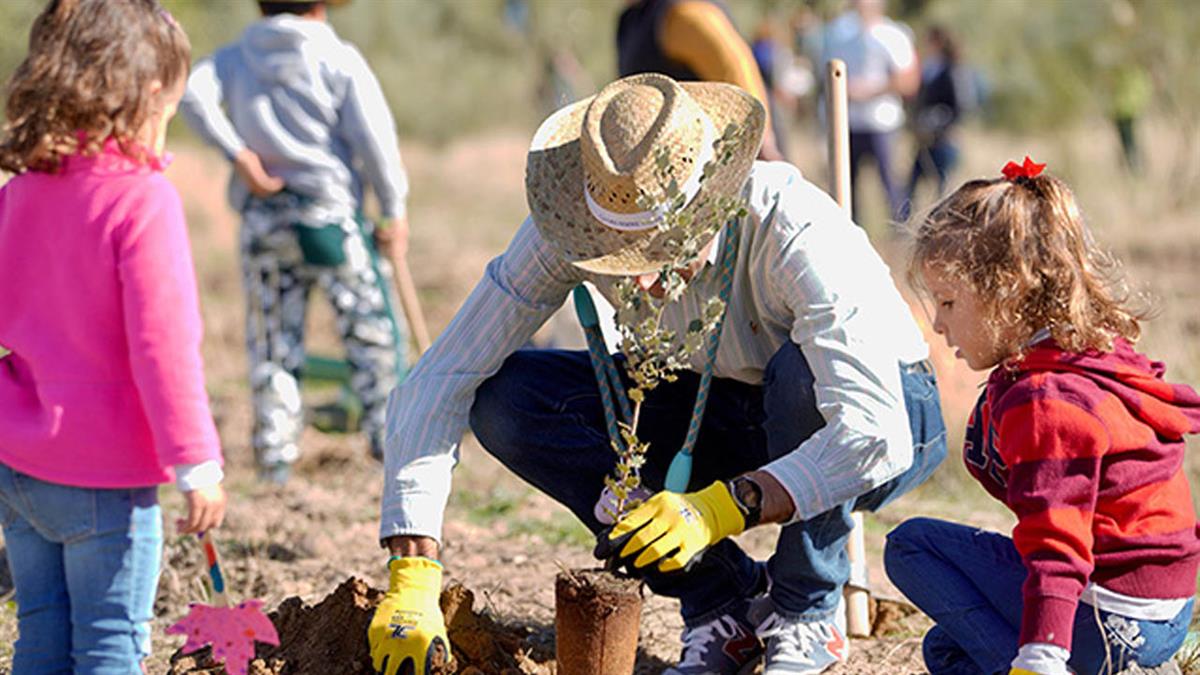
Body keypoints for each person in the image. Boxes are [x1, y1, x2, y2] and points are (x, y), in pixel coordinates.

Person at [368, 73, 947, 675]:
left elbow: (873, 432)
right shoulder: (571, 223)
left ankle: (804, 609)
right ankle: (723, 603)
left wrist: (724, 508)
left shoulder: (791, 225)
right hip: (725, 404)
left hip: (888, 413)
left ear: (711, 206)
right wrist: (413, 569)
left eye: (659, 253)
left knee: (801, 379)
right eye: (617, 256)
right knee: (510, 403)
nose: (639, 282)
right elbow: (442, 375)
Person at [885, 157, 1200, 674]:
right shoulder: (1088, 357)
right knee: (945, 651)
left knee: (910, 544)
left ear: (1006, 293)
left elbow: (1057, 539)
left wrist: (1041, 656)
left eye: (947, 302)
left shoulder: (1046, 400)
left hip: (1113, 614)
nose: (937, 325)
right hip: (1165, 612)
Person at [0, 1, 227, 671]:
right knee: (111, 641)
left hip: (17, 464)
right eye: (170, 112)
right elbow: (163, 347)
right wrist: (196, 461)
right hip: (102, 479)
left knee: (40, 632)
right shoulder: (143, 202)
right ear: (145, 96)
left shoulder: (21, 192)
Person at [179, 0, 411, 481]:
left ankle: (276, 461)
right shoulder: (337, 57)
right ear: (321, 7)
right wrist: (393, 208)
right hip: (329, 218)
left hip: (264, 222)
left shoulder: (238, 55)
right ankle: (393, 450)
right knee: (373, 338)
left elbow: (193, 95)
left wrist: (241, 157)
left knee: (272, 342)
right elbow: (377, 142)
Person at [617, 0, 786, 161]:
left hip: (720, 160)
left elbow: (735, 68)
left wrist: (761, 141)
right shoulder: (633, 20)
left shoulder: (683, 12)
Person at [821, 0, 919, 222]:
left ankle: (900, 235)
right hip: (847, 122)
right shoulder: (838, 34)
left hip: (881, 123)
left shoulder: (893, 35)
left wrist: (869, 91)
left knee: (890, 187)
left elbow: (908, 81)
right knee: (845, 189)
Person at [901, 25, 973, 219]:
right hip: (926, 140)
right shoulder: (930, 68)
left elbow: (961, 105)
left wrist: (937, 120)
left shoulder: (953, 70)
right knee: (911, 185)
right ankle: (903, 225)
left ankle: (940, 228)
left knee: (943, 190)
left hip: (944, 140)